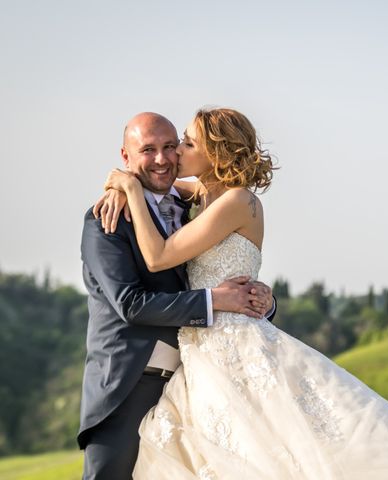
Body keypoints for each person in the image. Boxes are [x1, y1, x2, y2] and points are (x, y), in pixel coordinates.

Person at [103, 107, 388, 479]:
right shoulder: (199, 193)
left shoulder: (238, 201)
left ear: (214, 153)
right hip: (202, 348)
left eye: (186, 144)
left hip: (233, 346)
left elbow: (159, 257)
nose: (174, 154)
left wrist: (131, 189)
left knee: (272, 451)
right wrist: (120, 181)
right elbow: (159, 185)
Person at [79, 112, 277, 480]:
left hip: (198, 380)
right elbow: (132, 304)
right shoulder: (106, 219)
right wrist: (123, 188)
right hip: (129, 386)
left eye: (174, 146)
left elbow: (227, 271)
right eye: (148, 150)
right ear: (126, 156)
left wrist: (262, 298)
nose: (163, 158)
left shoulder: (201, 205)